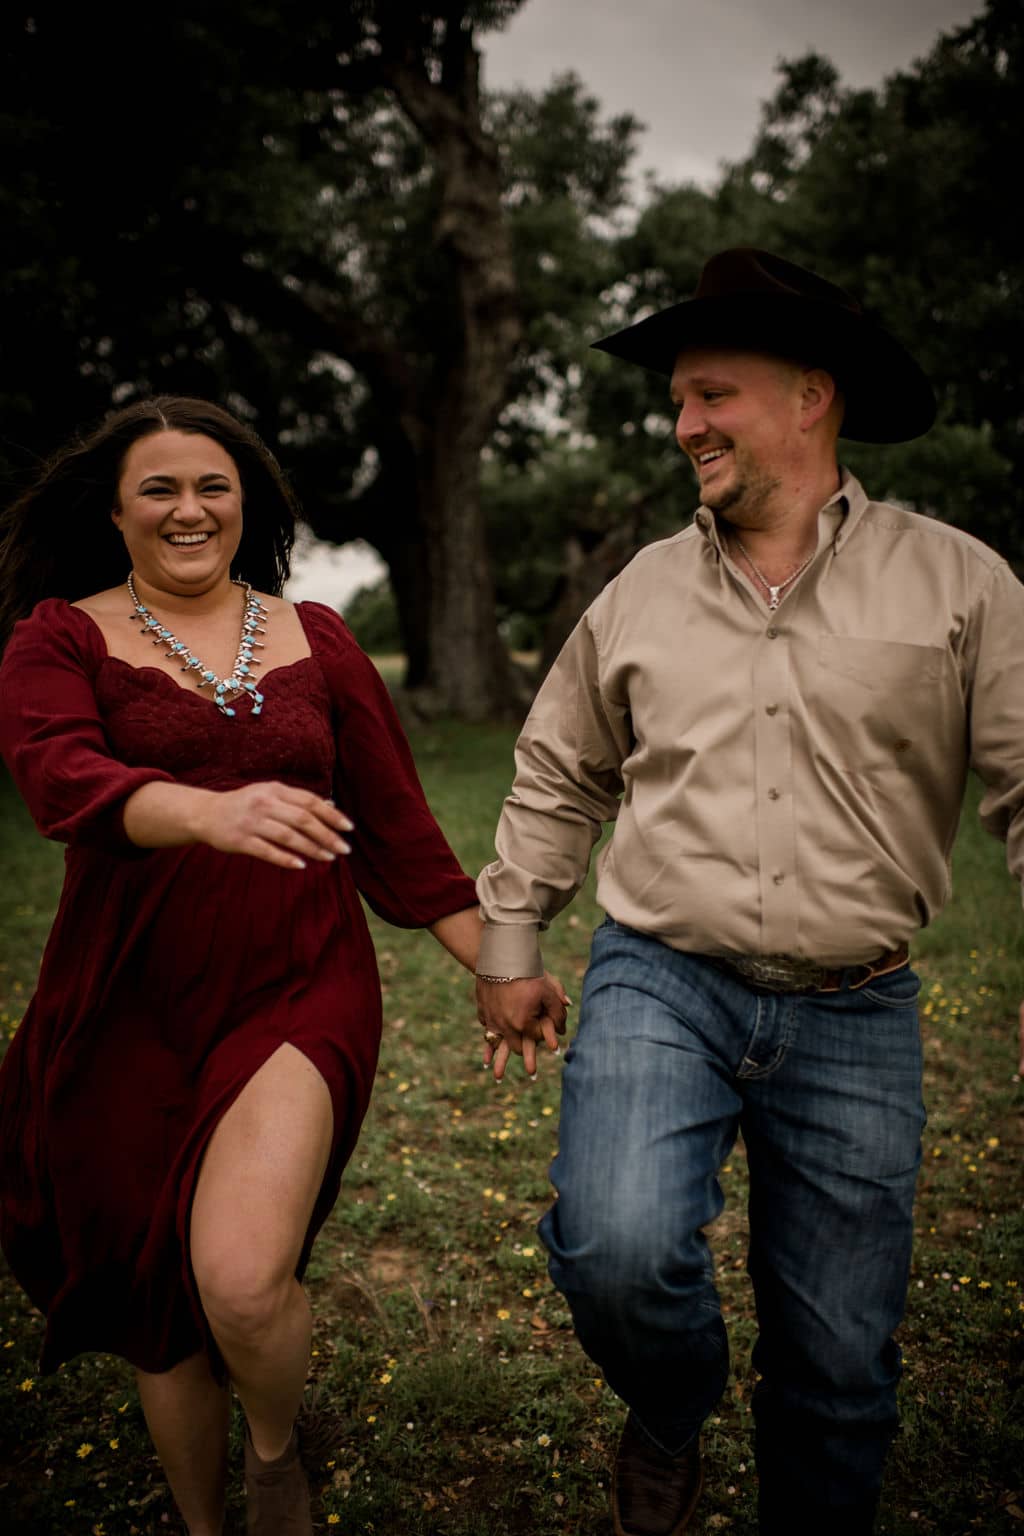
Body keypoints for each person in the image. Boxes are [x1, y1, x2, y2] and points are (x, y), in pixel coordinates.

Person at [474, 248, 1024, 1535]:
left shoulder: (962, 585)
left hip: (858, 1007)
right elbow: (560, 768)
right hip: (663, 975)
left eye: (709, 396)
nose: (683, 427)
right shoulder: (640, 593)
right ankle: (671, 1406)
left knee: (839, 1370)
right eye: (676, 401)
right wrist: (511, 944)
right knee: (613, 1249)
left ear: (809, 397)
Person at [0, 394, 567, 1536]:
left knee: (244, 1281)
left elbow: (401, 840)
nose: (188, 507)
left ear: (243, 500)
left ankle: (275, 1457)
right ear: (114, 511)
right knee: (159, 1299)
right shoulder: (58, 637)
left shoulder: (319, 637)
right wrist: (201, 814)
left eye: (211, 484)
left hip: (296, 983)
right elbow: (58, 776)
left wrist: (501, 966)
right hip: (123, 1002)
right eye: (157, 487)